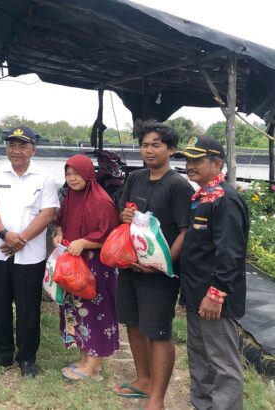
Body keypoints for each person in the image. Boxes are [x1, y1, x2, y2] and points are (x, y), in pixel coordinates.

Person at [113, 120, 194, 410]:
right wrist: (124, 217)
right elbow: (125, 213)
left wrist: (162, 266)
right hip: (130, 266)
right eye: (145, 144)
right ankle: (143, 379)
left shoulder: (179, 186)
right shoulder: (135, 178)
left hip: (159, 274)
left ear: (170, 149)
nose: (149, 150)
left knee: (158, 332)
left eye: (156, 144)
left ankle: (157, 398)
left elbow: (186, 231)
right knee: (133, 324)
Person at [176, 136, 249, 410]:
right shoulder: (204, 196)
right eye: (188, 159)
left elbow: (230, 253)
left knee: (222, 364)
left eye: (197, 160)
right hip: (196, 294)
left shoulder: (225, 200)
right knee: (200, 357)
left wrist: (216, 294)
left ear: (217, 163)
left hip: (214, 298)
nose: (190, 165)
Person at [0, 126, 58, 377]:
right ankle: (2, 353)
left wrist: (21, 238)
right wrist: (5, 235)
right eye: (12, 145)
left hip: (31, 254)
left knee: (28, 308)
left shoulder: (44, 178)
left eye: (22, 146)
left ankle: (27, 358)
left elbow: (48, 214)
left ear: (33, 150)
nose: (16, 150)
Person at [54, 154, 119, 381]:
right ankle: (84, 359)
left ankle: (94, 367)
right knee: (76, 310)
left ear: (88, 174)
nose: (72, 179)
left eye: (77, 174)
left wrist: (83, 242)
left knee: (96, 312)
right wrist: (59, 235)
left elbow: (111, 236)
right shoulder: (70, 198)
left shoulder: (101, 201)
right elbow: (60, 222)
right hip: (73, 263)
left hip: (96, 265)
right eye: (68, 174)